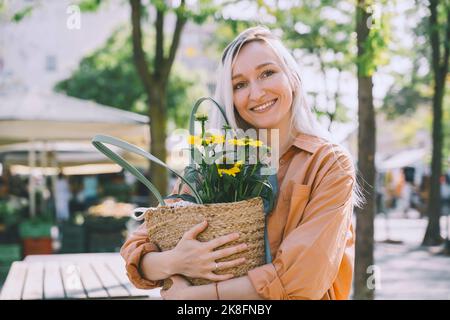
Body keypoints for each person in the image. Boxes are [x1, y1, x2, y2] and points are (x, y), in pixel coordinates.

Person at [120, 26, 363, 300]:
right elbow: (138, 245)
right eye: (240, 84)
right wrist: (175, 261)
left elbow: (301, 280)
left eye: (267, 73)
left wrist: (196, 296)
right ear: (230, 98)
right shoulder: (211, 165)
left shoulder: (328, 163)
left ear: (292, 78)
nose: (256, 93)